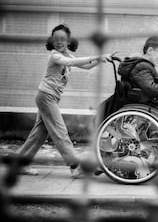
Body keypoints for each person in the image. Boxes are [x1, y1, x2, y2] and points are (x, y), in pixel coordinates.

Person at [17, 24, 111, 178]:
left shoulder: (67, 55)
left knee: (39, 134)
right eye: (56, 39)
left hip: (50, 97)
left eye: (63, 39)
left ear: (68, 41)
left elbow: (85, 66)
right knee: (60, 132)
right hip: (46, 96)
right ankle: (75, 167)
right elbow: (71, 63)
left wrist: (102, 60)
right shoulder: (55, 55)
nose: (59, 42)